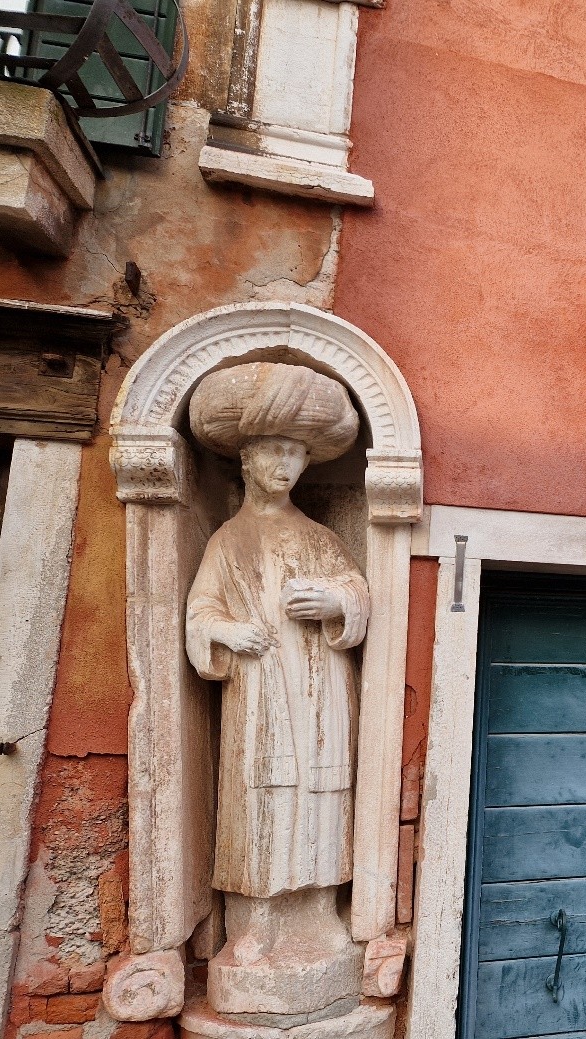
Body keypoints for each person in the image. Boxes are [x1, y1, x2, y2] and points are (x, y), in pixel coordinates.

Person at [185, 362, 369, 1016]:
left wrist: (337, 601)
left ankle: (320, 914)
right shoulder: (228, 540)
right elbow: (199, 613)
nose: (286, 465)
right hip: (260, 694)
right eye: (274, 452)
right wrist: (228, 632)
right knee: (258, 803)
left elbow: (358, 594)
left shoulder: (321, 539)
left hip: (321, 693)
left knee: (322, 800)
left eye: (295, 454)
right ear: (248, 460)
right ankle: (254, 925)